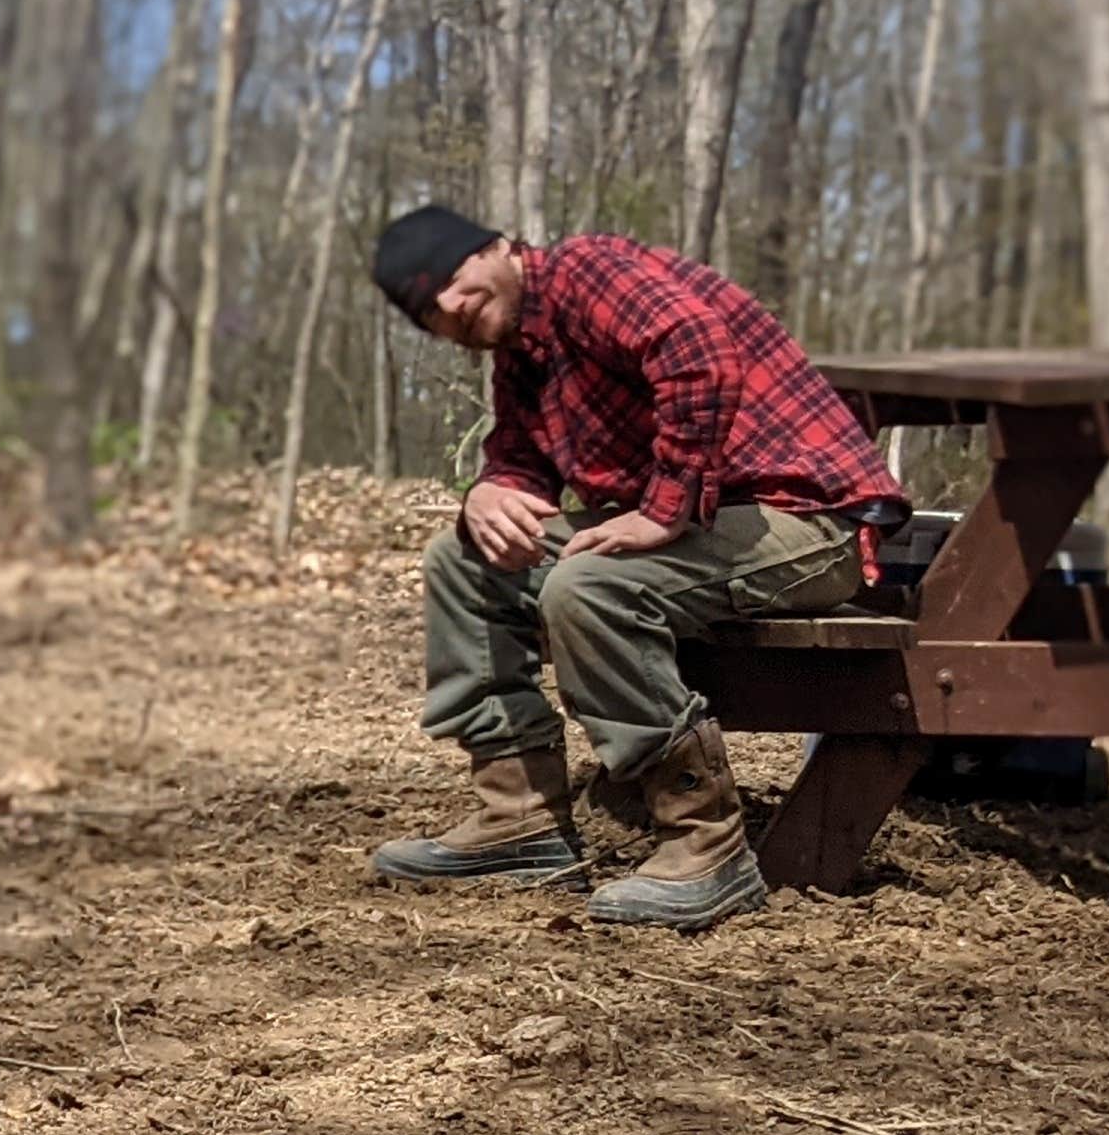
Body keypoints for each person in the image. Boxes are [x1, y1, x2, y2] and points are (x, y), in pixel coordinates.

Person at [365, 203, 905, 931]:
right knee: (464, 562)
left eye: (453, 283)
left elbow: (694, 346)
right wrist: (492, 491)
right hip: (704, 524)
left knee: (590, 586)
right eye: (426, 310)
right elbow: (522, 461)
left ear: (497, 250)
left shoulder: (587, 273)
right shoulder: (520, 359)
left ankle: (706, 843)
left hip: (807, 520)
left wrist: (663, 509)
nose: (449, 310)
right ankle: (518, 819)